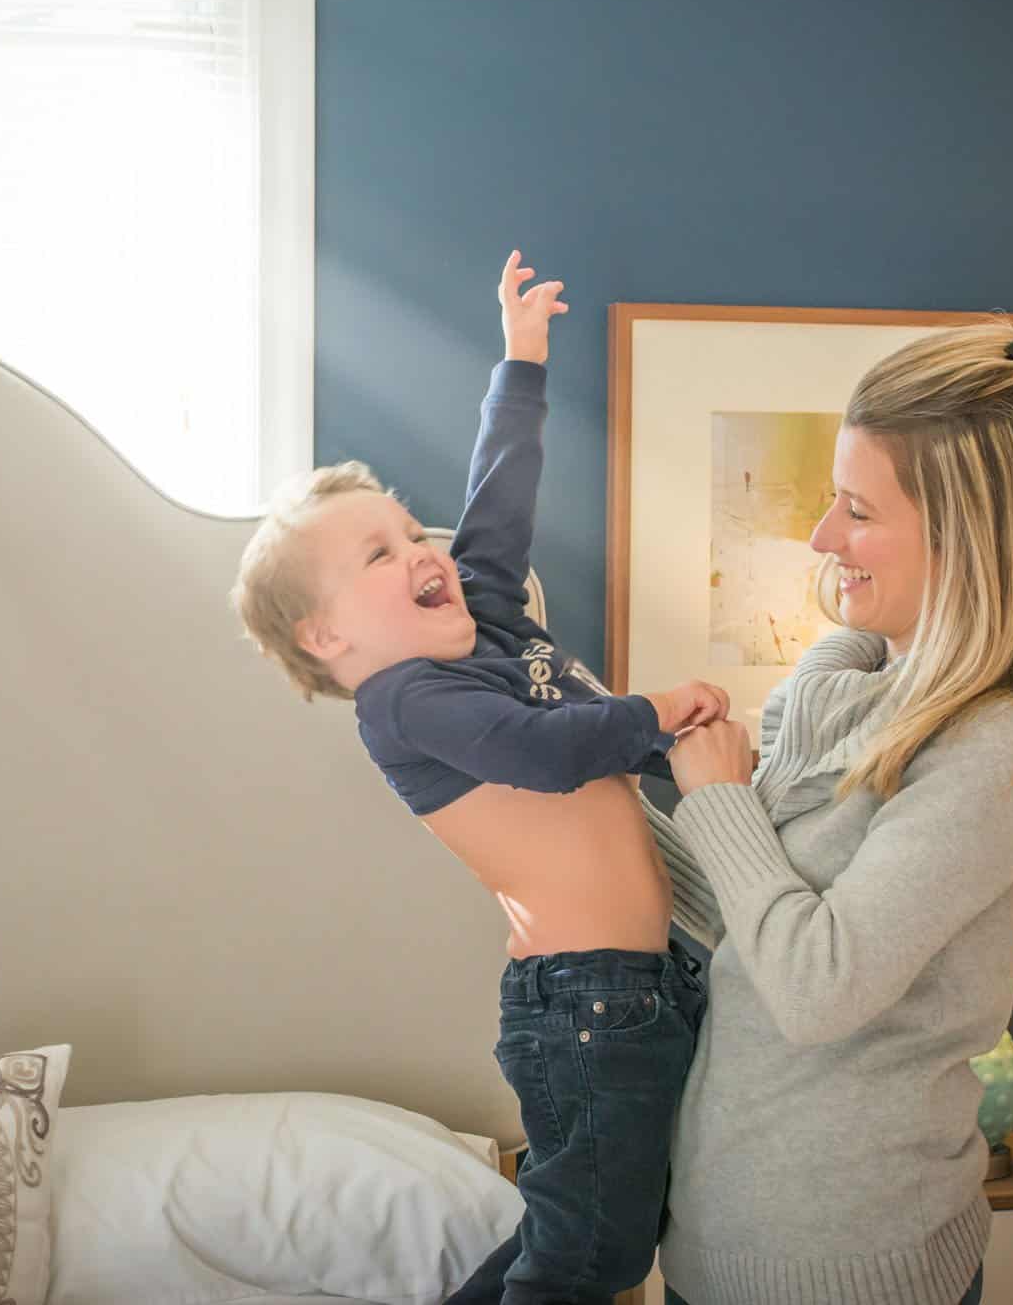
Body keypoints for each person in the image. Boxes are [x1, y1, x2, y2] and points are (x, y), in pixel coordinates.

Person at [231, 251, 724, 1303]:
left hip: (646, 983)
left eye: (411, 529)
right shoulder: (404, 703)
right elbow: (540, 753)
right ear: (326, 636)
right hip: (585, 1004)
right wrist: (654, 713)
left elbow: (499, 498)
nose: (422, 549)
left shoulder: (483, 619)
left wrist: (522, 357)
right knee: (593, 1255)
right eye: (378, 553)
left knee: (597, 1233)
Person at [643, 326, 1013, 1305]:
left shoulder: (1001, 743)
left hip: (846, 1271)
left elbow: (818, 988)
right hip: (719, 1243)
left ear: (971, 536)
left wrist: (716, 796)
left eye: (858, 509)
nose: (823, 537)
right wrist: (575, 762)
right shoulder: (848, 680)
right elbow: (736, 924)